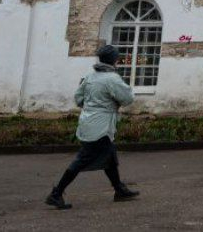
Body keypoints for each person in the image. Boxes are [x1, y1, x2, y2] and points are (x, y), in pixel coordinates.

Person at [45, 44, 140, 209]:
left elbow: (78, 98)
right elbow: (127, 98)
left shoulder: (90, 76)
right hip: (101, 126)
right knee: (83, 160)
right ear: (114, 60)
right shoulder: (112, 78)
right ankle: (56, 193)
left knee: (110, 157)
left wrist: (92, 106)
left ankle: (119, 189)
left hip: (88, 121)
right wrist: (108, 105)